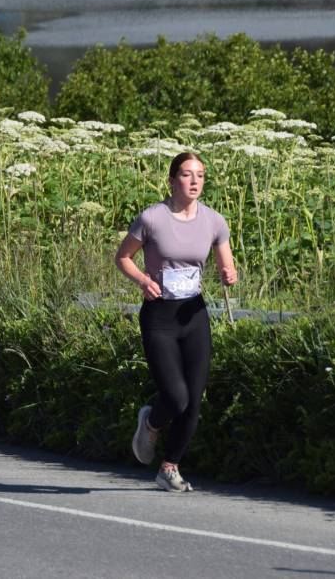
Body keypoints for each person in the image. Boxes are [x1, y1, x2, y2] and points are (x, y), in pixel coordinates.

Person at [115, 152, 238, 493]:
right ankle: (151, 422)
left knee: (194, 398)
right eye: (187, 175)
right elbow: (123, 257)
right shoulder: (152, 218)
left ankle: (169, 467)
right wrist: (142, 280)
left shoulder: (214, 221)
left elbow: (227, 267)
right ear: (172, 180)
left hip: (194, 315)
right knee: (176, 396)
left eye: (200, 175)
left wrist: (229, 275)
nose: (195, 181)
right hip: (160, 316)